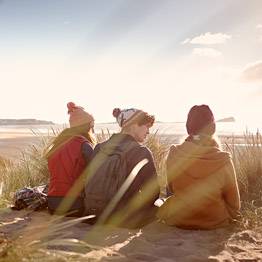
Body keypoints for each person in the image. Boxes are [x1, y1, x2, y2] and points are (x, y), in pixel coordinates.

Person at [157, 104, 241, 229]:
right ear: (212, 128)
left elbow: (172, 188)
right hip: (214, 220)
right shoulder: (223, 158)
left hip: (179, 218)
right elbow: (234, 202)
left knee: (162, 202)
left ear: (188, 127)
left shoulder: (174, 152)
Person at [84, 108, 160, 228]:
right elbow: (154, 192)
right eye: (147, 126)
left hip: (96, 214)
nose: (148, 132)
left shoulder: (99, 148)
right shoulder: (141, 151)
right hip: (125, 218)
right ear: (135, 125)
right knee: (161, 206)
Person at [44, 102, 96, 217]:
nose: (92, 127)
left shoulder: (57, 144)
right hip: (74, 206)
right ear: (86, 125)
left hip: (52, 205)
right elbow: (95, 175)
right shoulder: (84, 145)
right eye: (91, 124)